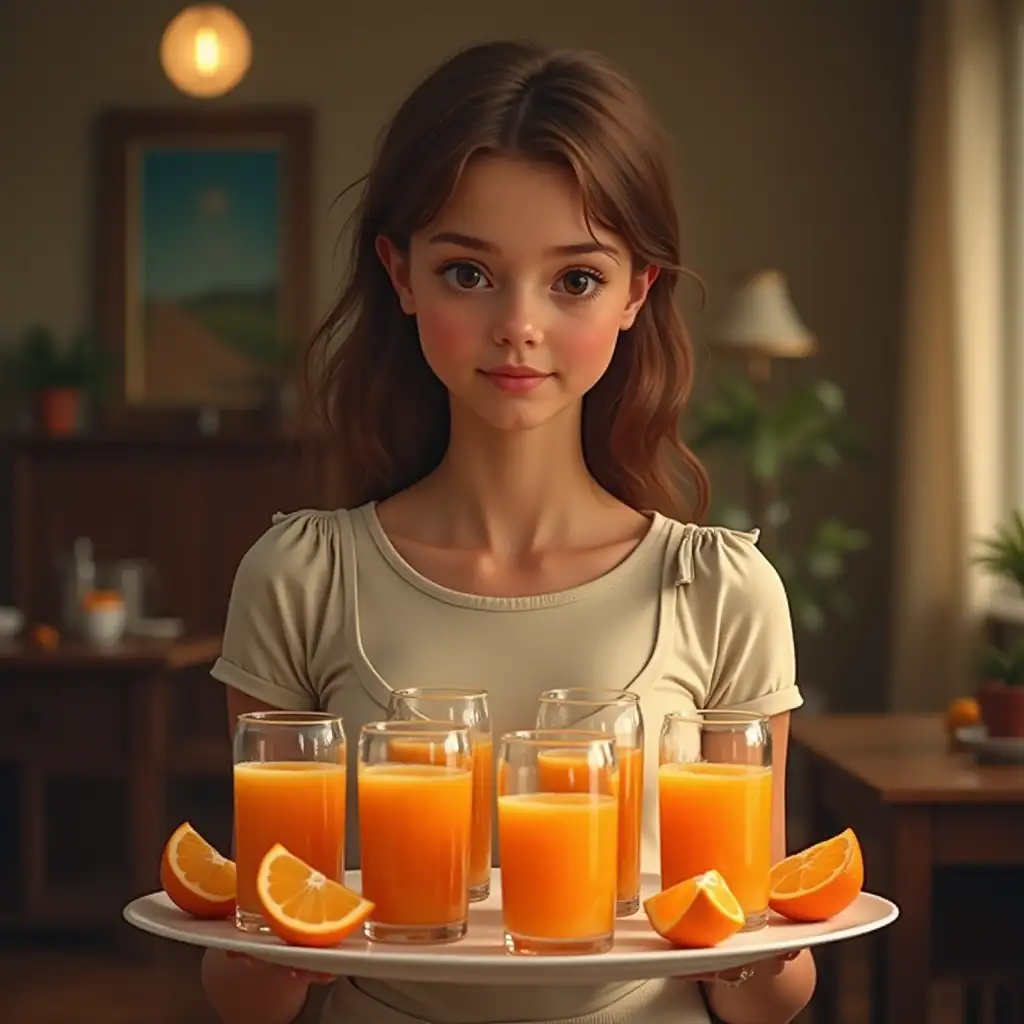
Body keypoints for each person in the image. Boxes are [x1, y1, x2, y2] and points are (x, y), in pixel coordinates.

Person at [200, 38, 815, 1024]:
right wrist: (261, 953)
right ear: (399, 276)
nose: (517, 325)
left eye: (572, 279)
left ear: (635, 293)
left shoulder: (720, 590)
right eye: (468, 273)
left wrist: (761, 957)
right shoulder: (301, 576)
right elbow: (246, 990)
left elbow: (765, 996)